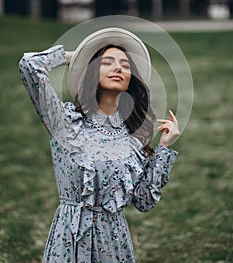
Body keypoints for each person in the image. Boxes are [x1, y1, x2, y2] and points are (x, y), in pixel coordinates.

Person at [19, 27, 180, 263]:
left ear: (130, 81)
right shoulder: (65, 122)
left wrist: (164, 148)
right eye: (107, 62)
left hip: (114, 244)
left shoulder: (132, 137)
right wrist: (77, 57)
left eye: (125, 65)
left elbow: (144, 201)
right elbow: (29, 66)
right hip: (70, 238)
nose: (118, 68)